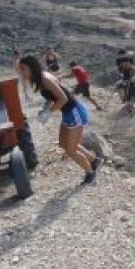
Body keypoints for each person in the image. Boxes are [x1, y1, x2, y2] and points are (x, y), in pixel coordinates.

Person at [19, 56, 101, 184]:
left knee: (71, 151)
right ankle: (93, 159)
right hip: (67, 113)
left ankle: (90, 172)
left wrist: (48, 112)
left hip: (74, 112)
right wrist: (45, 108)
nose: (20, 72)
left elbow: (63, 98)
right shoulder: (40, 79)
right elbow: (51, 97)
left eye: (22, 68)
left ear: (31, 67)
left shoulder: (45, 79)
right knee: (63, 144)